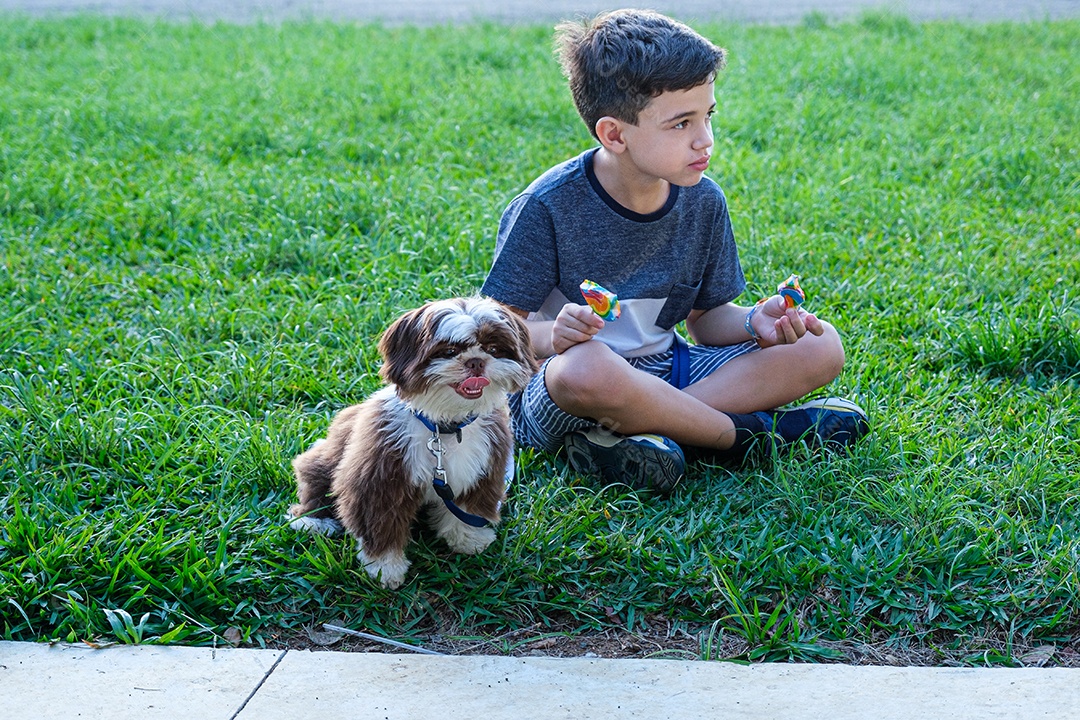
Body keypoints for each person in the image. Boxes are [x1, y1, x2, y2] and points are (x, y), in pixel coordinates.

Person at [480, 9, 868, 492]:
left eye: (708, 116)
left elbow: (706, 322)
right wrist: (551, 335)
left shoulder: (704, 201)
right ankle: (747, 437)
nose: (704, 139)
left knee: (821, 344)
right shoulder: (547, 206)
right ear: (614, 134)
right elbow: (496, 334)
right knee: (587, 367)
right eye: (681, 123)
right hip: (566, 390)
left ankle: (646, 436)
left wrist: (754, 321)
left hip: (670, 368)